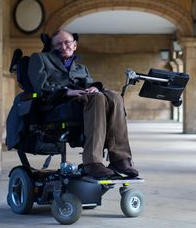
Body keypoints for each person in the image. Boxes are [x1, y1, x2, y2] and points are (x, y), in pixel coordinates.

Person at [28, 29, 138, 178]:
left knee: (114, 96)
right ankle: (92, 163)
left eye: (67, 42)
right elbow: (40, 87)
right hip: (56, 104)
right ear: (52, 47)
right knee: (97, 99)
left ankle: (120, 159)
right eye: (58, 43)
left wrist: (94, 87)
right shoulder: (40, 59)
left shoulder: (81, 68)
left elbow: (90, 83)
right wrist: (66, 92)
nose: (64, 46)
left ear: (75, 45)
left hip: (83, 99)